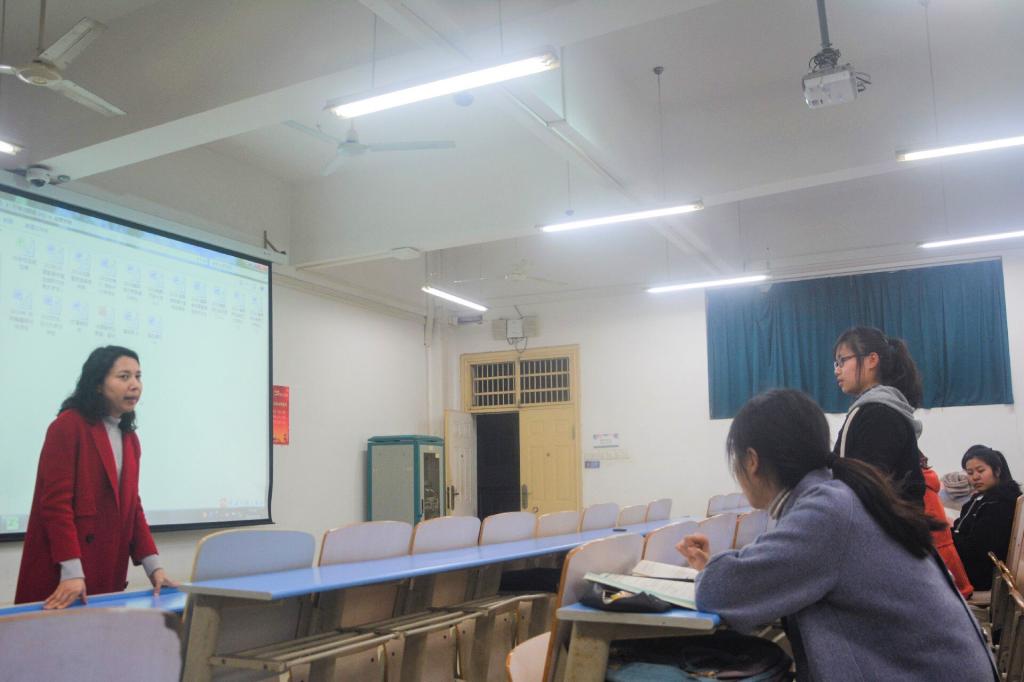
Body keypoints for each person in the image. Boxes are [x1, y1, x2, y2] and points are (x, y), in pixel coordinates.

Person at [678, 389, 995, 681]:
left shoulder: (827, 510)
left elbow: (720, 592)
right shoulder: (836, 494)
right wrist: (716, 566)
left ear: (751, 460)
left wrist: (711, 571)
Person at [15, 346, 176, 608]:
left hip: (106, 570)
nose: (135, 385)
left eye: (138, 376)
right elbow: (56, 505)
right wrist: (71, 571)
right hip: (64, 575)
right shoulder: (68, 426)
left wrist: (154, 567)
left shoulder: (129, 438)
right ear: (98, 384)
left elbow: (132, 508)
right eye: (124, 377)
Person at [832, 326, 925, 505]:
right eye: (836, 364)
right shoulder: (875, 409)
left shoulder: (879, 413)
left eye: (842, 360)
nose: (837, 370)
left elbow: (867, 487)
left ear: (872, 360)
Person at [952, 445, 1022, 591]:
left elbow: (980, 550)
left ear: (997, 471)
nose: (975, 477)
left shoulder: (1001, 504)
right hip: (969, 566)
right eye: (970, 473)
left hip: (981, 576)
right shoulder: (978, 500)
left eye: (981, 470)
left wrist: (946, 535)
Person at [921, 454, 973, 598]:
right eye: (970, 472)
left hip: (948, 585)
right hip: (953, 573)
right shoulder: (927, 481)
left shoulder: (917, 486)